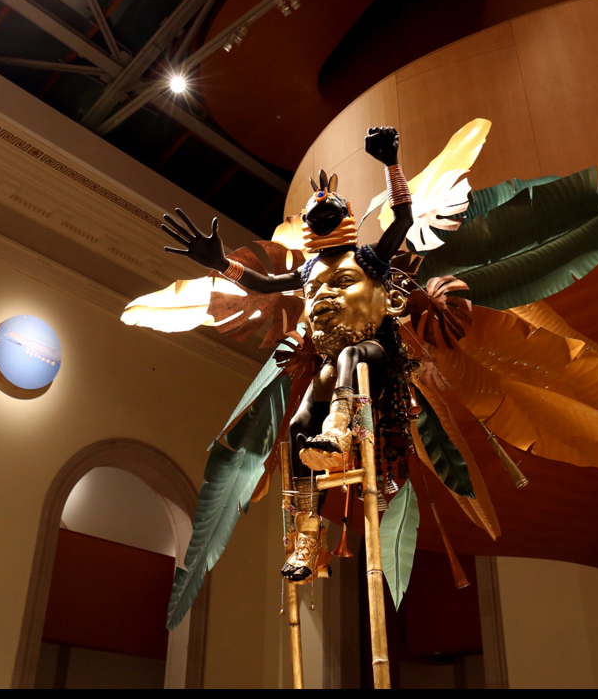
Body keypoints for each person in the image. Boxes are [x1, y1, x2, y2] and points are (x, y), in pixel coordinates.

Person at [159, 127, 415, 581]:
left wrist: (391, 163)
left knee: (351, 358)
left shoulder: (367, 259)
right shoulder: (310, 268)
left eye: (328, 210)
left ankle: (338, 431)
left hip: (370, 352)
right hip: (331, 364)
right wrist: (221, 264)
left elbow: (403, 220)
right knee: (298, 426)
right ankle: (306, 533)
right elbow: (264, 284)